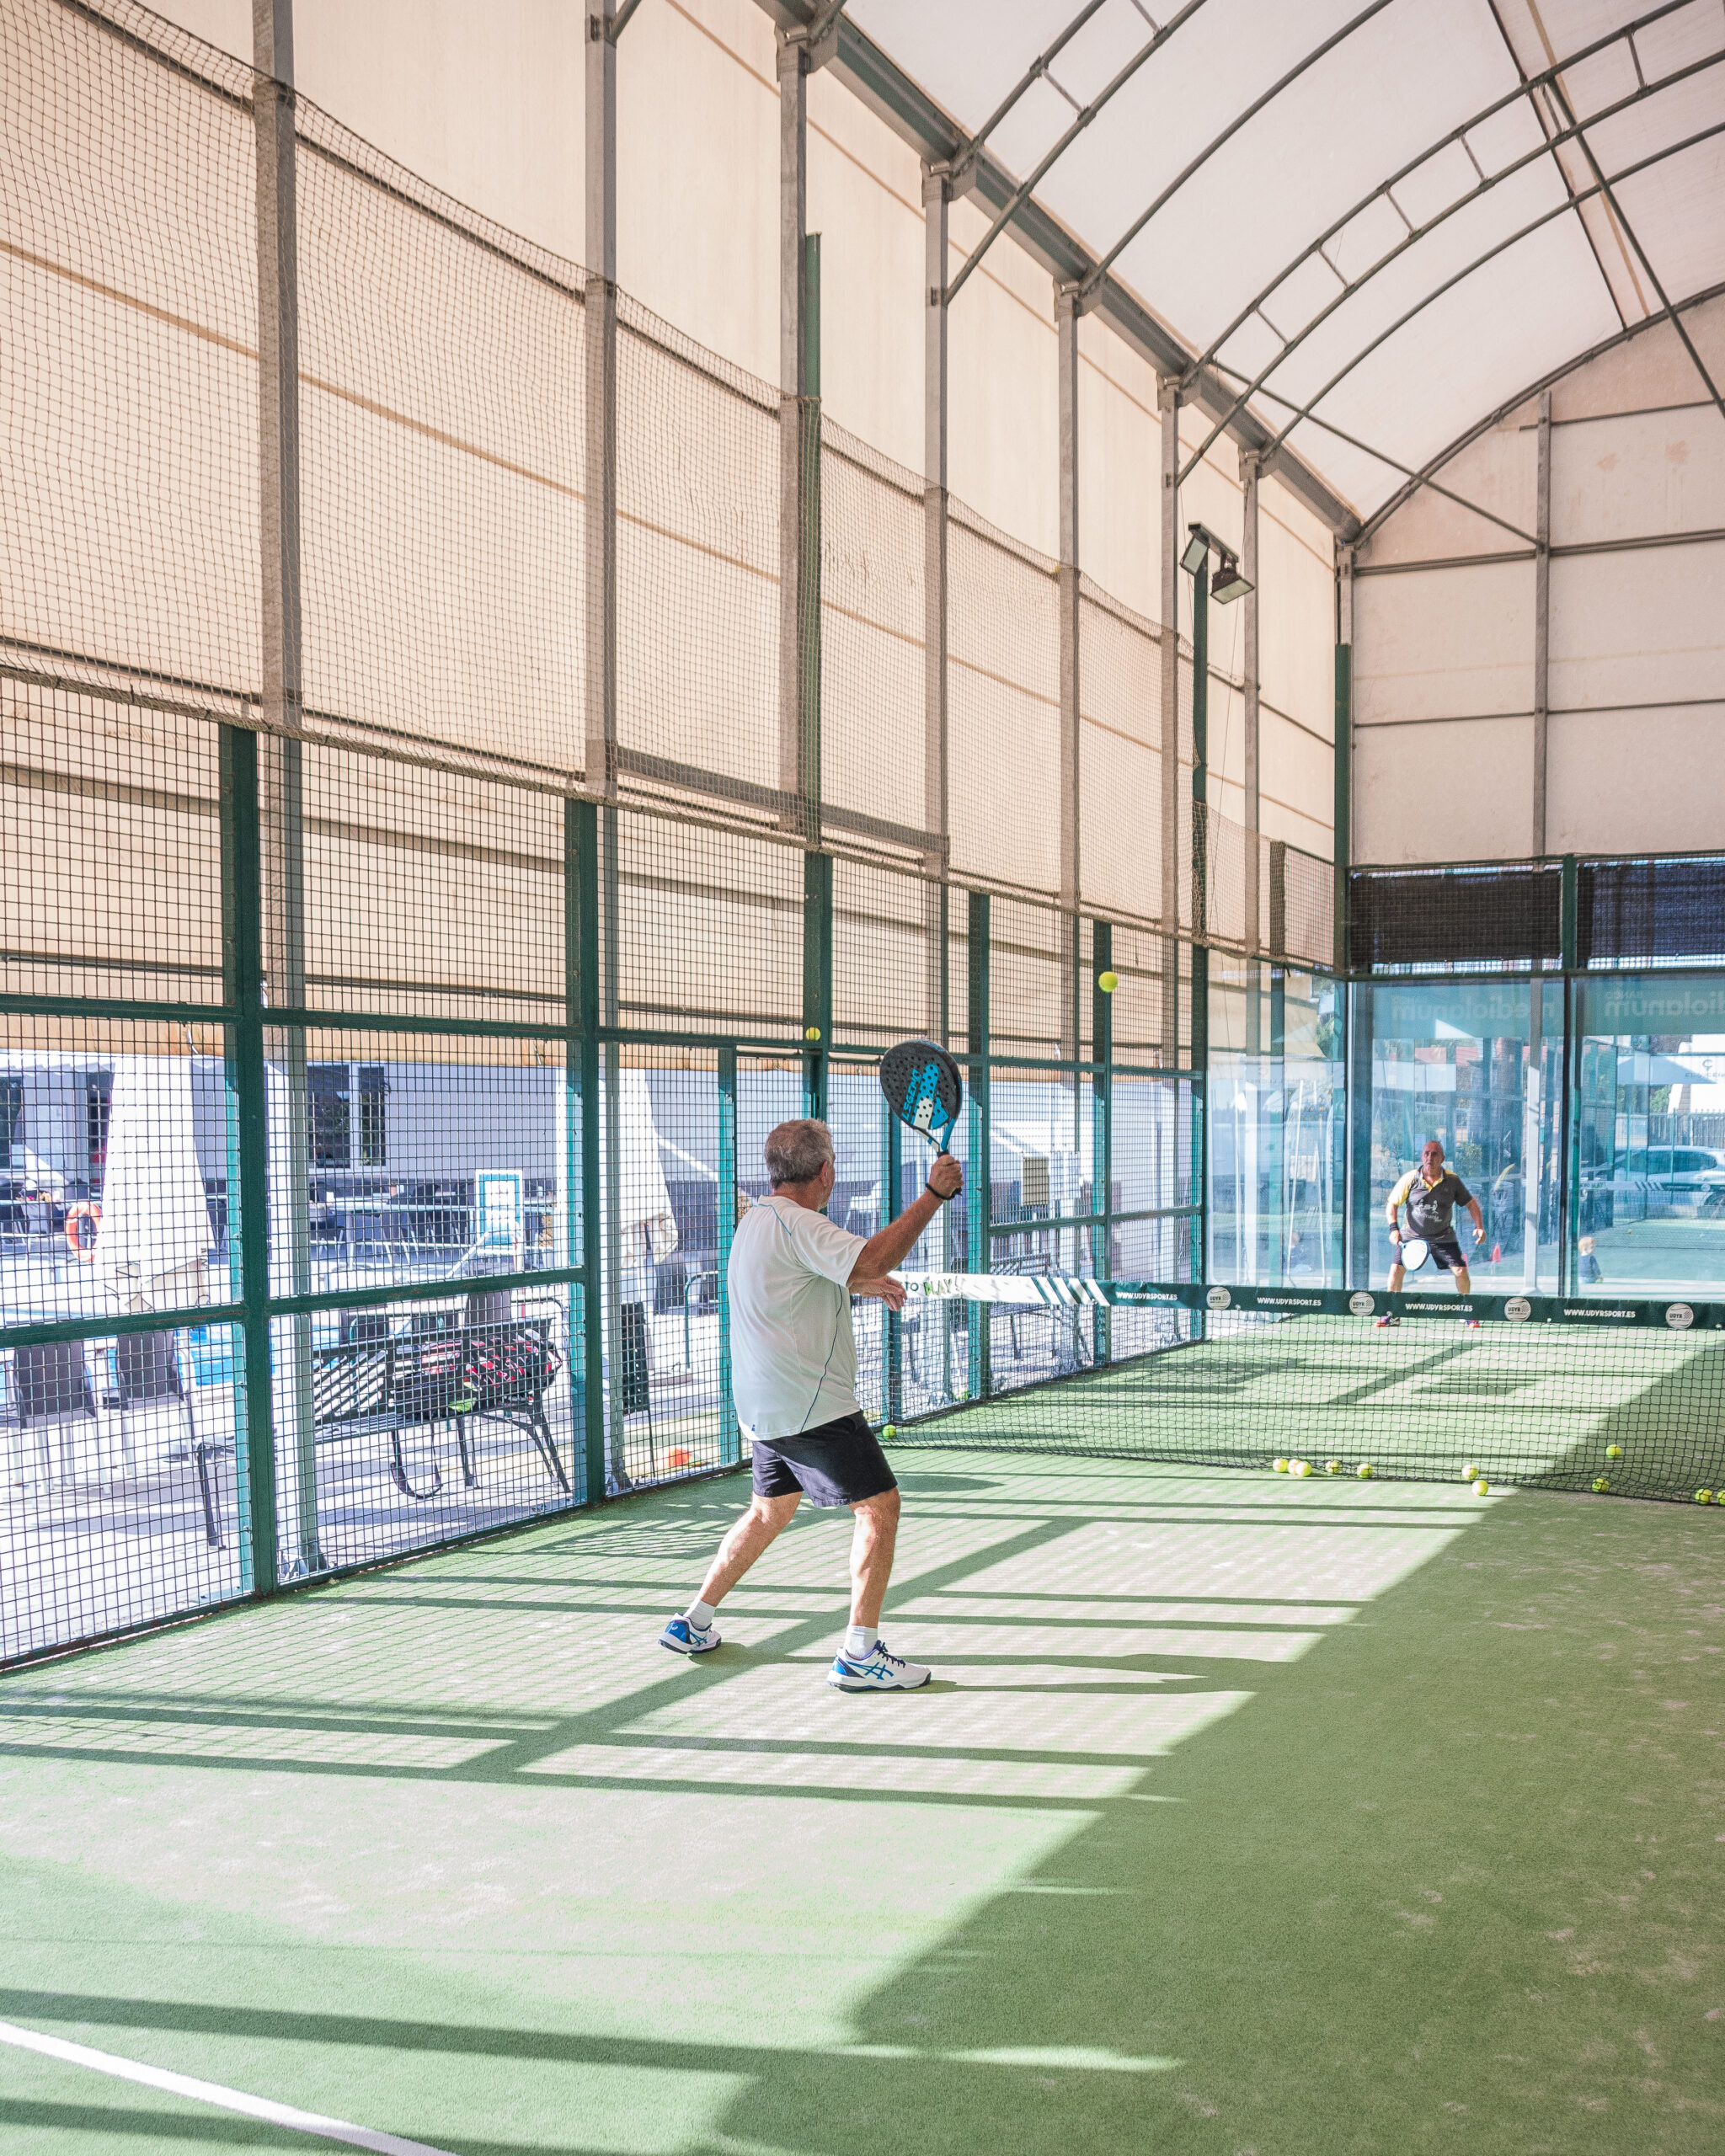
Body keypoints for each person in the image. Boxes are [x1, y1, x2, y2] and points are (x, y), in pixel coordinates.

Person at [658, 1117, 964, 1690]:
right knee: (880, 1509)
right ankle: (859, 1653)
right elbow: (870, 1259)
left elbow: (804, 1280)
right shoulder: (801, 1224)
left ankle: (693, 1622)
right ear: (825, 1173)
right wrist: (933, 1195)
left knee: (770, 1510)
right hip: (811, 1406)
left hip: (762, 1404)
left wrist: (859, 1281)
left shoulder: (757, 1221)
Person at [1377, 1137, 1485, 1328]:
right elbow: (1392, 1204)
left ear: (1442, 1158)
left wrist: (1479, 1226)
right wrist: (1393, 1229)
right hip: (1411, 1236)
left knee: (1460, 1271)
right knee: (1396, 1270)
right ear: (1422, 1156)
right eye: (1426, 1153)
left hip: (1443, 1236)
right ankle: (1392, 1314)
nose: (1430, 1158)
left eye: (1434, 1154)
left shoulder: (1452, 1181)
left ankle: (1467, 1312)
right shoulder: (1410, 1179)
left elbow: (1471, 1204)